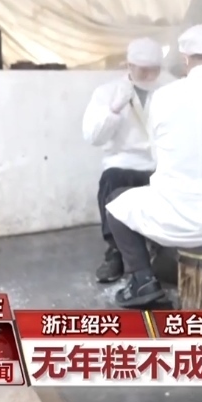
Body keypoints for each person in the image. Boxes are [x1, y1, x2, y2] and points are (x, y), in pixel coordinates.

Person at [104, 24, 202, 307]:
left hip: (175, 216)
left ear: (186, 59)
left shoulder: (162, 96)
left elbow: (157, 156)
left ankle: (143, 281)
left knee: (116, 203)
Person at [82, 37, 175, 284]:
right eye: (142, 70)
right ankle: (115, 252)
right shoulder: (107, 92)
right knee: (112, 181)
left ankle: (162, 248)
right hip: (123, 162)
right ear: (129, 66)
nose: (148, 75)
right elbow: (93, 137)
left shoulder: (171, 90)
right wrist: (113, 110)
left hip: (160, 163)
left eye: (154, 70)